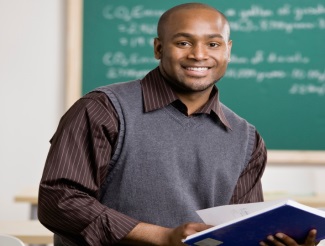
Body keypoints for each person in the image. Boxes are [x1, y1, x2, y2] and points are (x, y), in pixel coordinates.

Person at [38, 3, 318, 246]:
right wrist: (161, 237)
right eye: (183, 43)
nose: (199, 55)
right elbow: (59, 201)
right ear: (158, 48)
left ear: (228, 51)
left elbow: (239, 230)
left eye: (213, 44)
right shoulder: (103, 109)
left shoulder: (246, 138)